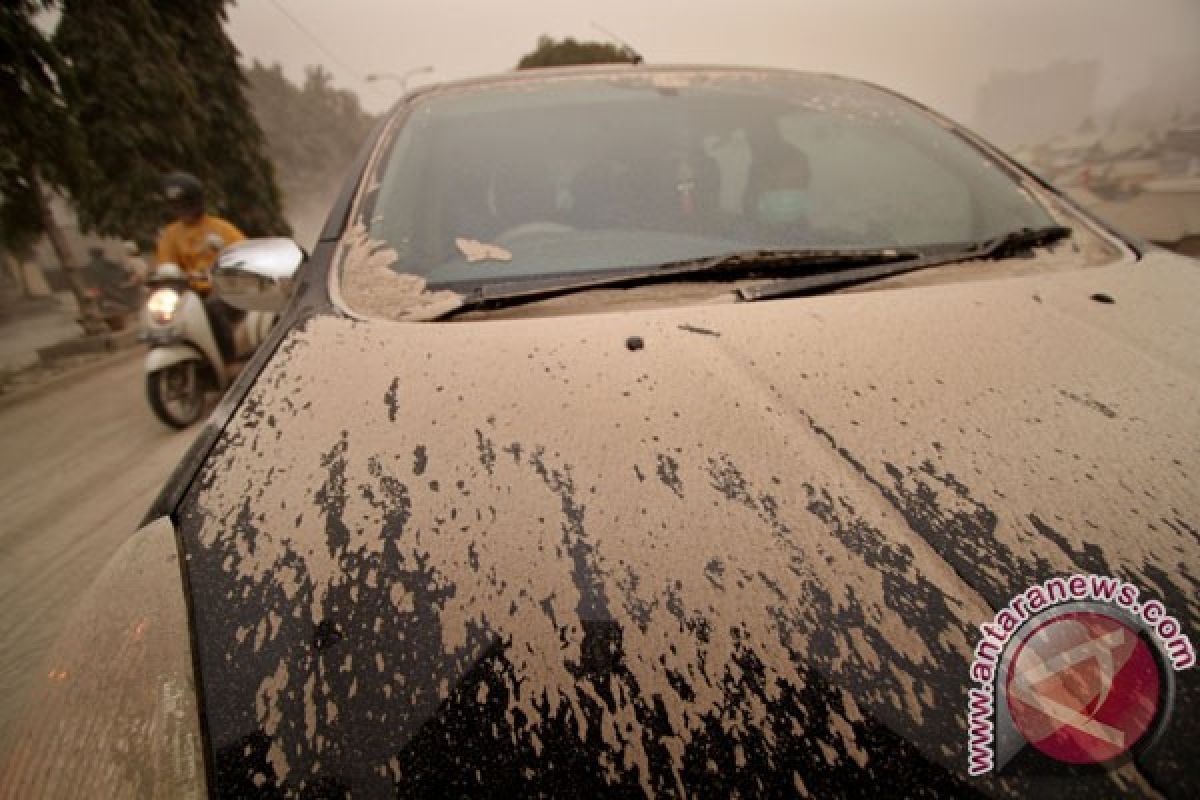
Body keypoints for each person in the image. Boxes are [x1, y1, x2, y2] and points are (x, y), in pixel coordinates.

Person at [155, 172, 245, 360]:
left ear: (198, 202)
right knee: (162, 316)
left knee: (213, 307)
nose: (182, 209)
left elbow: (243, 252)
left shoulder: (220, 228)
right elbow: (165, 265)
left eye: (185, 204)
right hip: (188, 293)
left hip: (222, 289)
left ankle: (229, 360)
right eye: (176, 205)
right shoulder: (170, 235)